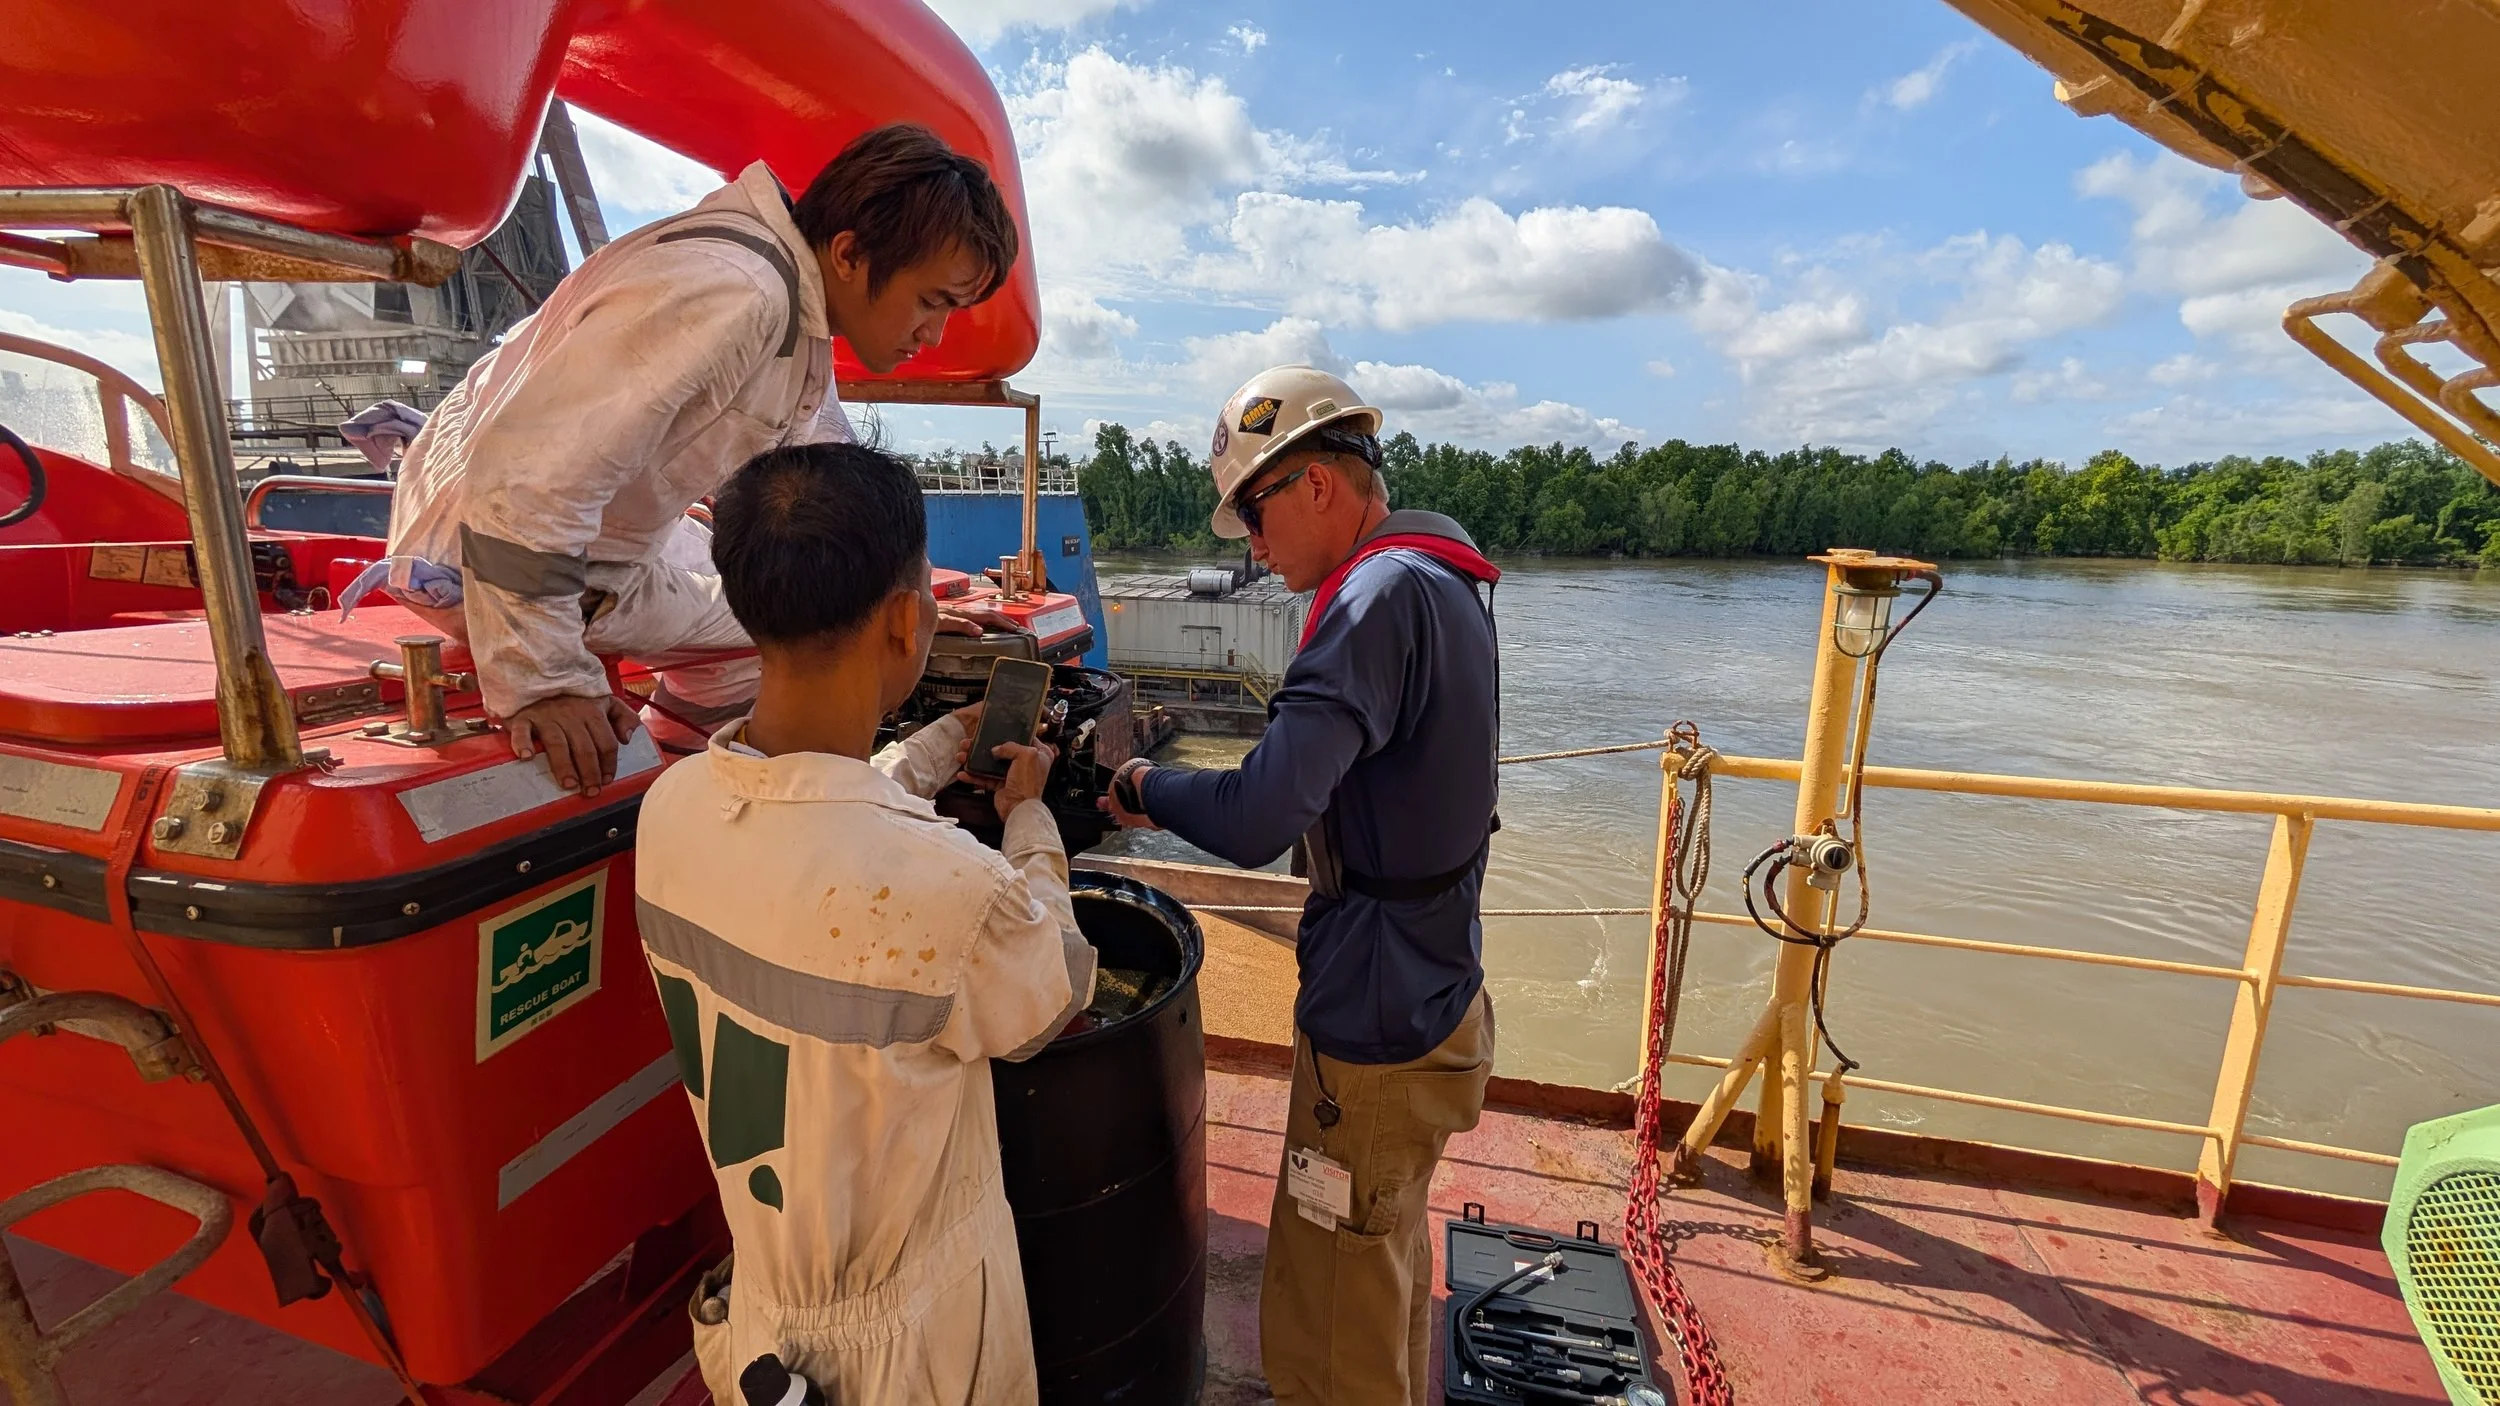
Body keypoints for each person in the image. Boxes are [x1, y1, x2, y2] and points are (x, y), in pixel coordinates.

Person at [635, 440, 1094, 1404]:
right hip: (911, 1353)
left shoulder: (670, 812)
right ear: (905, 620)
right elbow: (1057, 983)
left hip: (759, 1314)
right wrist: (1031, 820)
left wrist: (930, 751)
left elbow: (813, 828)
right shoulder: (955, 895)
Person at [370, 123, 1020, 795]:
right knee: (792, 639)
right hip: (490, 558)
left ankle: (683, 774)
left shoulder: (794, 310)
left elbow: (838, 481)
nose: (933, 334)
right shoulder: (734, 293)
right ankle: (706, 804)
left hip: (588, 546)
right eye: (931, 301)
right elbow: (525, 478)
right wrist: (546, 680)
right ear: (851, 254)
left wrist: (907, 603)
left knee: (803, 601)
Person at [1101, 366, 1502, 1405]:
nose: (1253, 546)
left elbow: (1256, 817)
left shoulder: (1367, 605)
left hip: (1370, 1020)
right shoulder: (1443, 575)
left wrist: (1142, 782)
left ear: (1318, 482)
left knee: (1332, 1294)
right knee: (1383, 1250)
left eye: (1256, 513)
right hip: (1438, 986)